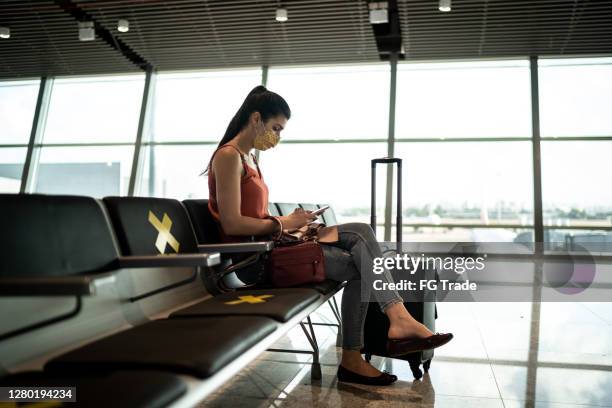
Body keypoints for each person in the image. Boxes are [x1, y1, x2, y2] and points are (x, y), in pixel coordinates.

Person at [204, 85, 453, 386]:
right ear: (256, 118)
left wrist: (296, 227)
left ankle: (382, 333)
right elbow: (232, 225)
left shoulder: (250, 160)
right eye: (276, 128)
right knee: (364, 268)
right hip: (254, 262)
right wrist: (284, 222)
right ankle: (377, 338)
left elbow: (257, 219)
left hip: (273, 246)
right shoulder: (228, 156)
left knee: (361, 232)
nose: (277, 137)